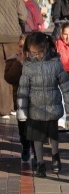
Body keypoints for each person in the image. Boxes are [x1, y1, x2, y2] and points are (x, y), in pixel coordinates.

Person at [17, 32, 69, 177]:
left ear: (47, 47)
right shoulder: (28, 67)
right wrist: (22, 112)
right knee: (37, 138)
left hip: (52, 107)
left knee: (53, 135)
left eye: (41, 52)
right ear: (28, 51)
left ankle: (55, 156)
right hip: (35, 109)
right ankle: (40, 163)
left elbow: (66, 87)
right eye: (33, 53)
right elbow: (23, 91)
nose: (38, 55)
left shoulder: (55, 63)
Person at [0, 0, 28, 119]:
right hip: (13, 38)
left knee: (0, 74)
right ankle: (15, 105)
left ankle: (3, 109)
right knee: (14, 70)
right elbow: (23, 15)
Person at [4, 34, 36, 165]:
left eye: (25, 48)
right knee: (23, 127)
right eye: (21, 47)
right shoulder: (13, 60)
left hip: (35, 100)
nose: (22, 51)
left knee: (35, 127)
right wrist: (18, 63)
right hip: (21, 100)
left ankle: (36, 153)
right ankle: (25, 145)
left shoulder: (36, 61)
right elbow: (10, 78)